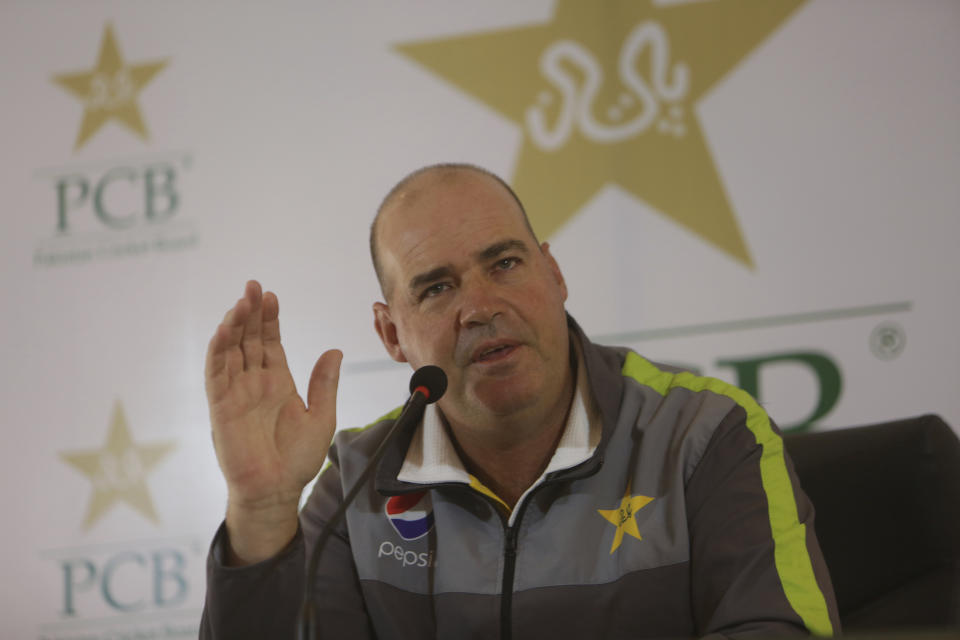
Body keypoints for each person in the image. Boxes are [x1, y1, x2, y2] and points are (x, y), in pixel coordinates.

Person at [200, 164, 840, 639]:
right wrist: (261, 512)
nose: (479, 307)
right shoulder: (357, 483)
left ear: (554, 275)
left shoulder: (704, 435)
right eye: (436, 288)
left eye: (504, 263)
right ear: (392, 334)